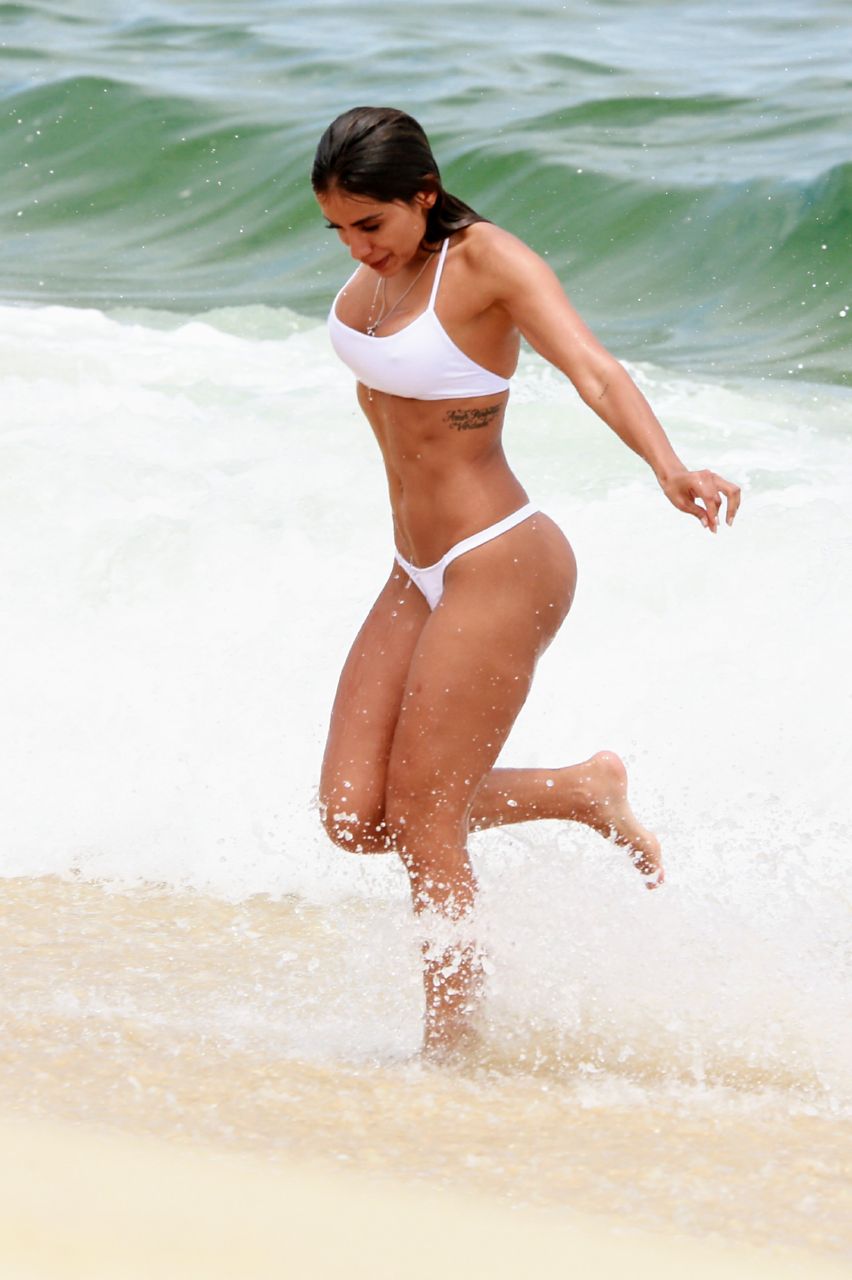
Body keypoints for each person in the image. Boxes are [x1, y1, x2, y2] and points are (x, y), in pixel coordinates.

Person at [311, 106, 740, 1056]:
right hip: (414, 568)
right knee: (351, 814)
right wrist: (369, 247)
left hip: (499, 560)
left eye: (370, 224)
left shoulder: (487, 261)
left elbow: (592, 367)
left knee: (424, 820)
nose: (355, 247)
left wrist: (670, 468)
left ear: (424, 195)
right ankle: (581, 790)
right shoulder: (383, 267)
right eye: (337, 229)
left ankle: (450, 1055)